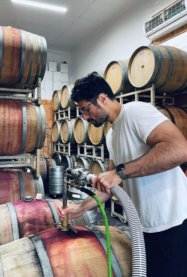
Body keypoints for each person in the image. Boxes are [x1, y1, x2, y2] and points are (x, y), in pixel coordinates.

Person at [57, 73, 187, 277]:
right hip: (142, 226)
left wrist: (121, 172)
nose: (84, 116)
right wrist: (81, 208)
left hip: (170, 223)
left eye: (85, 109)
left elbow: (180, 149)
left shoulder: (135, 112)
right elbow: (111, 185)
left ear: (101, 98)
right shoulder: (111, 135)